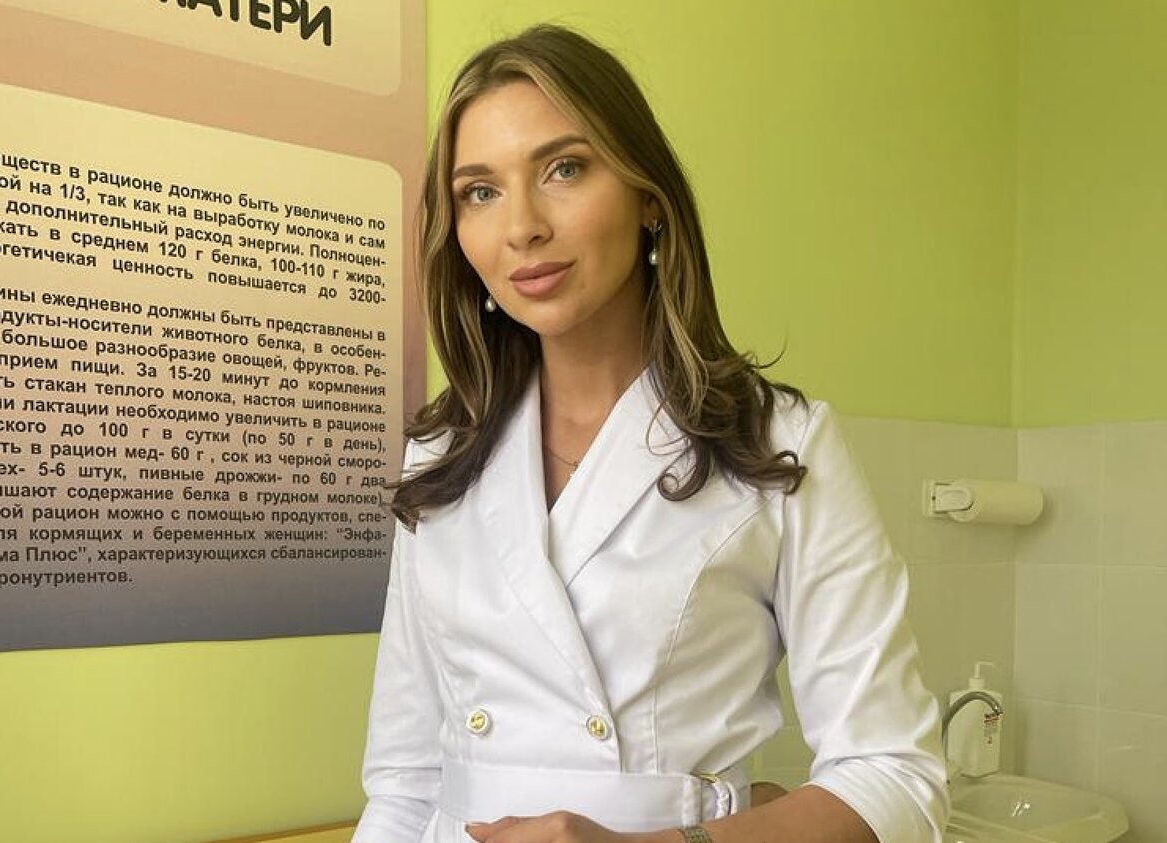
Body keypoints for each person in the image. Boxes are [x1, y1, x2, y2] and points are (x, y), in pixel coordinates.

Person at [351, 24, 948, 843]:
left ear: (649, 198)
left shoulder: (778, 443)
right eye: (479, 191)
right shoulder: (440, 454)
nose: (521, 226)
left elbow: (897, 775)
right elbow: (402, 780)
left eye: (564, 168)